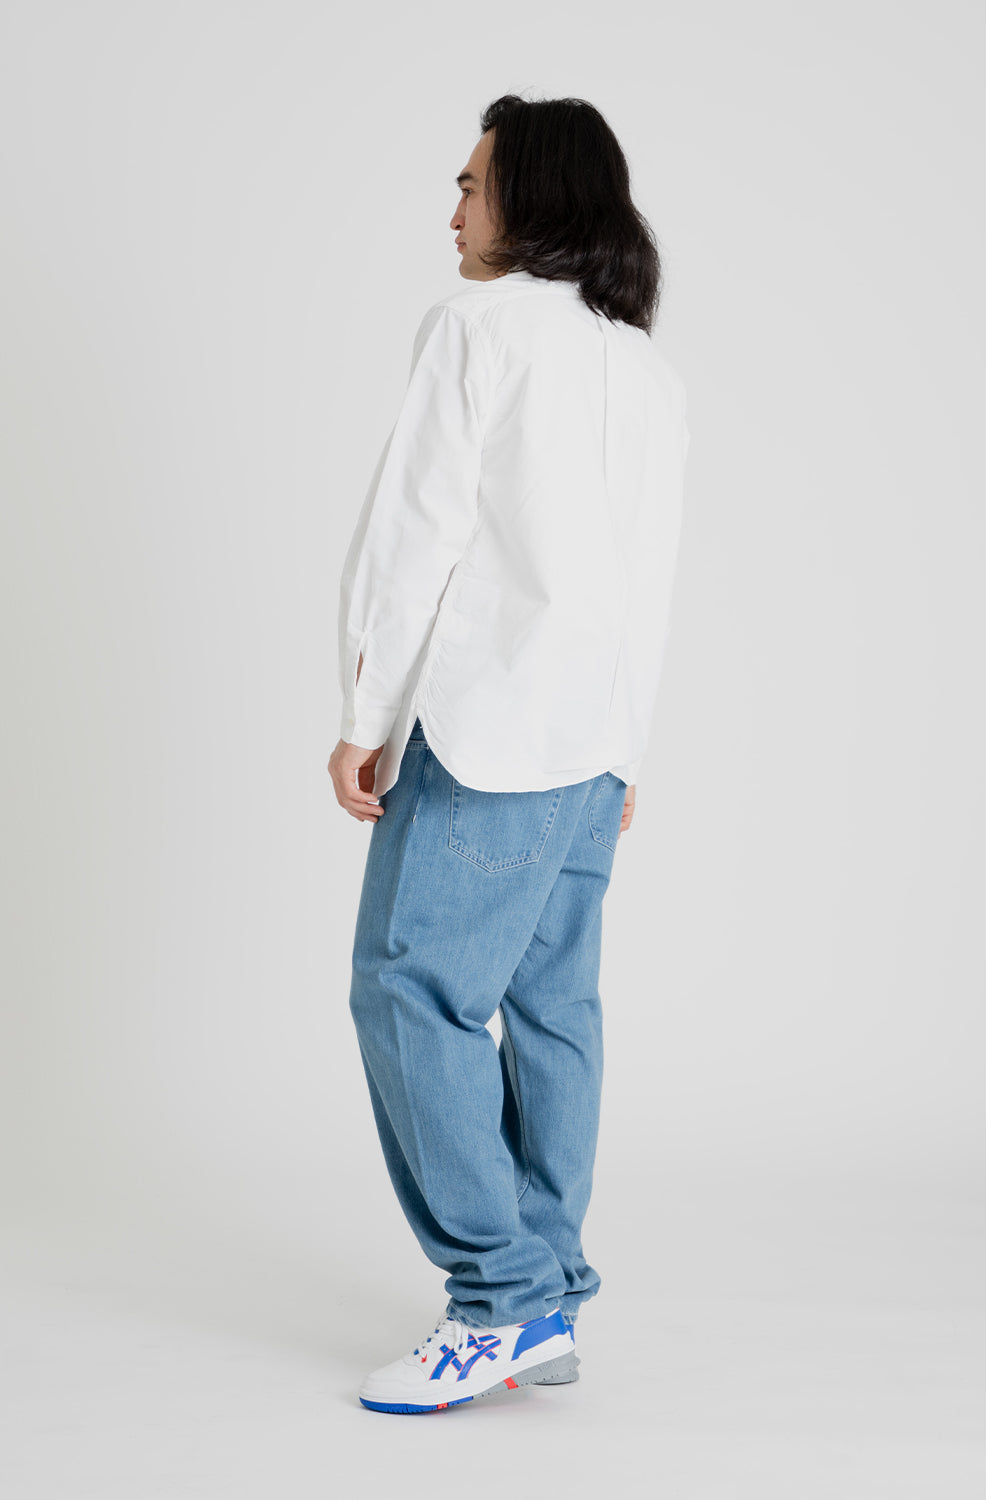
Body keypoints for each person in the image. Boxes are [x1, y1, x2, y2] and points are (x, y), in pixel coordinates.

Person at [327, 93, 690, 1414]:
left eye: (470, 186)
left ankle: (501, 1302)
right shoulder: (643, 369)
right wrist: (626, 750)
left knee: (407, 994)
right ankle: (548, 1299)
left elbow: (413, 533)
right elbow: (650, 578)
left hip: (489, 736)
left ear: (530, 198)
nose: (453, 211)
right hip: (590, 752)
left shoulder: (477, 331)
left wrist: (366, 713)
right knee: (551, 1015)